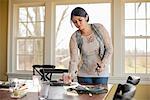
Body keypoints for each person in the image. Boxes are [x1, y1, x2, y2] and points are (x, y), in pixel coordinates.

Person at [67, 7, 113, 85]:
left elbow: (109, 49)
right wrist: (70, 75)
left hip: (100, 74)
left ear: (86, 17)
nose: (78, 24)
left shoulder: (99, 28)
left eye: (80, 20)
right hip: (83, 75)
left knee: (100, 97)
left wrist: (103, 64)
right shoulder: (74, 37)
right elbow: (74, 59)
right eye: (75, 22)